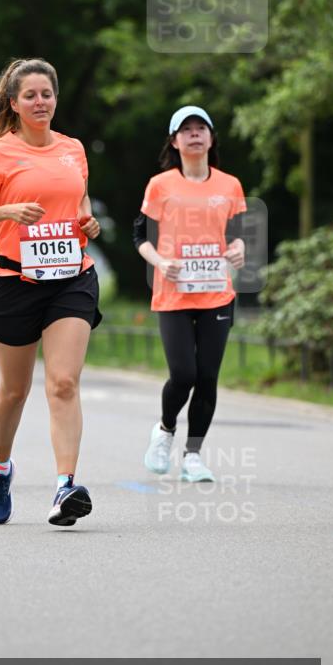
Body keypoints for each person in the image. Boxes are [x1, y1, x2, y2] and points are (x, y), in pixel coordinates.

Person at [0, 58, 102, 528]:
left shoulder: (73, 149)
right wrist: (8, 212)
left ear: (55, 98)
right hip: (13, 283)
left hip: (71, 277)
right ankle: (1, 469)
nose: (40, 102)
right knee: (14, 390)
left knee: (63, 383)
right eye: (30, 96)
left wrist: (87, 221)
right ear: (15, 103)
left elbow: (80, 198)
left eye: (47, 94)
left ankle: (65, 487)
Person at [134, 105, 246, 482]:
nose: (194, 134)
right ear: (174, 141)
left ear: (211, 138)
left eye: (201, 128)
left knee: (208, 377)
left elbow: (237, 234)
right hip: (174, 294)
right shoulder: (160, 185)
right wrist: (160, 262)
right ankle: (165, 429)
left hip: (216, 294)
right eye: (186, 129)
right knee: (184, 374)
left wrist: (239, 249)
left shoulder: (229, 185)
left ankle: (193, 455)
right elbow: (140, 236)